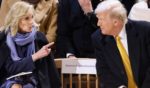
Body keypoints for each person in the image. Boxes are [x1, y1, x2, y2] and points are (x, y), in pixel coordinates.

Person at [0, 1, 60, 88]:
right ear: (16, 20)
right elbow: (10, 68)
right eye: (26, 18)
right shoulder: (4, 39)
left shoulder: (39, 38)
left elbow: (46, 72)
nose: (32, 22)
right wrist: (35, 56)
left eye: (32, 17)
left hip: (32, 79)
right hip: (9, 78)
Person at [92, 0, 150, 88]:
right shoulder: (98, 38)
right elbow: (103, 70)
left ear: (115, 22)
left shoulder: (145, 30)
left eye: (101, 19)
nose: (98, 23)